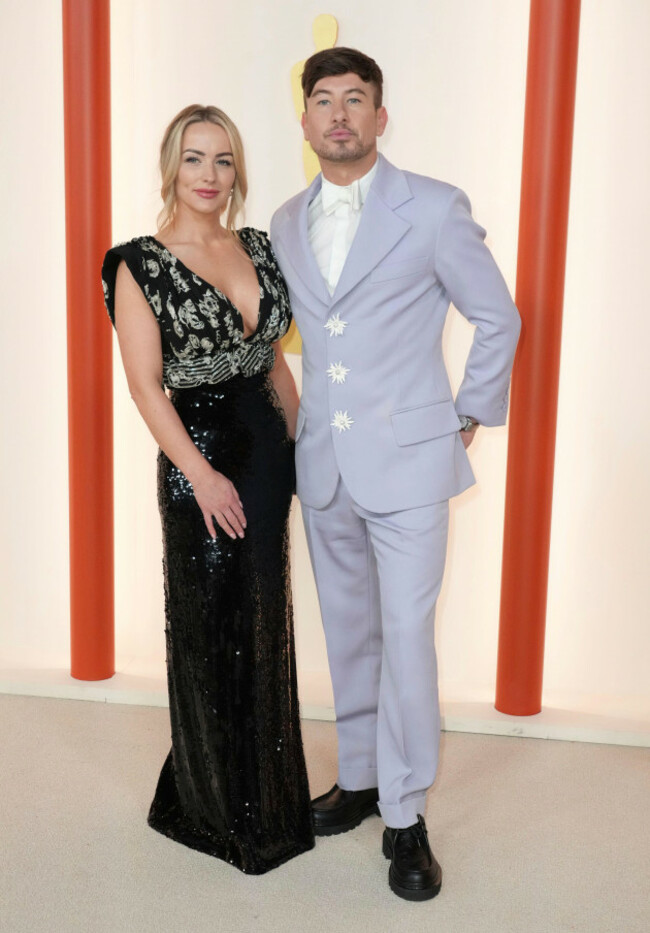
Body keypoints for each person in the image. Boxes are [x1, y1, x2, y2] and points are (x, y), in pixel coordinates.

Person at [270, 48, 521, 900]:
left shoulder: (437, 207)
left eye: (355, 99)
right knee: (349, 633)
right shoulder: (284, 220)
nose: (339, 114)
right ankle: (362, 776)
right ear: (306, 121)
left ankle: (407, 814)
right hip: (324, 464)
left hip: (412, 462)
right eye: (324, 100)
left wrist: (467, 413)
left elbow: (498, 316)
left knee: (407, 639)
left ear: (381, 117)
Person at [101, 105, 314, 874]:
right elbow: (145, 387)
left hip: (268, 453)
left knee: (264, 614)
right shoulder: (138, 263)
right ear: (171, 166)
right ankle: (215, 809)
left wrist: (305, 448)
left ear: (237, 172)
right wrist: (200, 475)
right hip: (202, 459)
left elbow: (275, 360)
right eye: (194, 158)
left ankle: (269, 795)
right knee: (214, 625)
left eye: (223, 160)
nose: (209, 175)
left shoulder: (256, 246)